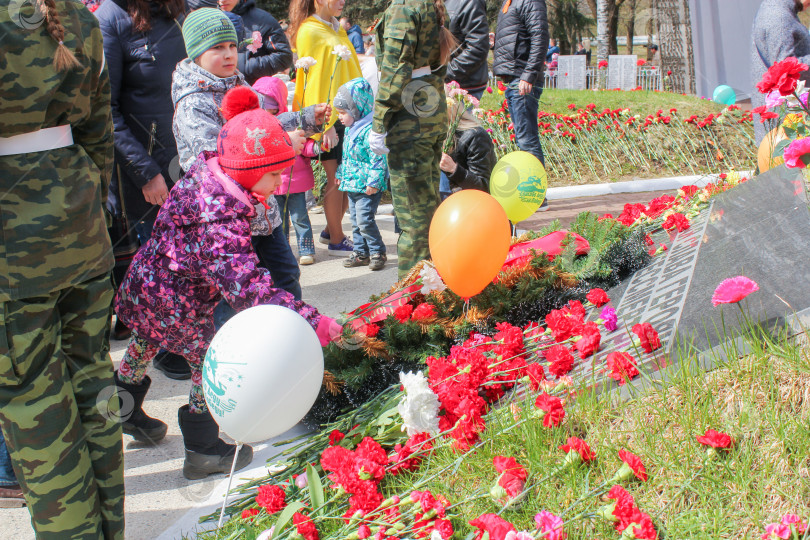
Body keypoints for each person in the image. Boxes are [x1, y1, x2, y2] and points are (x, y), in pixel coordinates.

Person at [115, 86, 343, 480]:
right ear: (251, 170)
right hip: (178, 303)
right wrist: (310, 320)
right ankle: (204, 449)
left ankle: (121, 407)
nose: (279, 182)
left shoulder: (210, 172)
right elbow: (249, 288)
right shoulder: (219, 218)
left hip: (146, 285)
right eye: (273, 174)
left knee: (145, 339)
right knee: (208, 363)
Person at [0, 0, 125, 536]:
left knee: (38, 410)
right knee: (95, 384)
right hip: (79, 223)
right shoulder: (79, 17)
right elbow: (100, 132)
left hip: (13, 246)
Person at [172, 8, 327, 303]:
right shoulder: (193, 104)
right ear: (195, 53)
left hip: (263, 214)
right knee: (234, 297)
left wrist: (304, 118)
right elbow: (214, 161)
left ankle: (291, 341)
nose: (229, 54)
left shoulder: (239, 84)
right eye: (217, 47)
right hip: (225, 222)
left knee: (286, 278)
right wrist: (281, 144)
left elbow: (261, 128)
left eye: (232, 46)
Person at [96, 0, 186, 347]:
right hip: (147, 176)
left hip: (191, 161)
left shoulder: (178, 11)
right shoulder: (110, 19)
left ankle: (188, 346)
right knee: (161, 268)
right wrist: (146, 172)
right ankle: (165, 350)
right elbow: (106, 108)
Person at [370, 0, 456, 277]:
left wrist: (379, 120)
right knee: (428, 211)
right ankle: (434, 286)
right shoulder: (427, 6)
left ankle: (411, 296)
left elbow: (396, 70)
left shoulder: (404, 9)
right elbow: (438, 66)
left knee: (413, 218)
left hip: (409, 123)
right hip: (428, 113)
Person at [289, 0, 364, 255]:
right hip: (327, 118)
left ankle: (331, 230)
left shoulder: (336, 28)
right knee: (335, 179)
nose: (343, 1)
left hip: (347, 115)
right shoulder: (310, 30)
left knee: (344, 177)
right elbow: (312, 80)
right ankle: (336, 239)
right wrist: (325, 124)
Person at [254, 76, 318, 266]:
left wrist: (313, 148)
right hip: (271, 186)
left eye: (272, 106)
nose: (268, 111)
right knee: (278, 221)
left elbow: (303, 145)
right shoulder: (256, 129)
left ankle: (306, 249)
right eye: (264, 105)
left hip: (294, 183)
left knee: (299, 217)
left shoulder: (290, 122)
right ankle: (285, 252)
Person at [494, 0, 549, 209]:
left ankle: (537, 196)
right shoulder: (511, 2)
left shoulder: (530, 1)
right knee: (523, 137)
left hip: (523, 80)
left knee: (527, 139)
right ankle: (534, 193)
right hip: (514, 78)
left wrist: (529, 75)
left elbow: (540, 38)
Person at [335, 78, 389, 271]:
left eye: (343, 112)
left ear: (357, 109)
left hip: (367, 185)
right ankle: (361, 252)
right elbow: (348, 157)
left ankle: (377, 251)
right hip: (353, 183)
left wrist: (374, 181)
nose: (340, 117)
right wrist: (341, 172)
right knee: (356, 221)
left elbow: (378, 159)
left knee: (365, 219)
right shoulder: (351, 130)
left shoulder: (369, 131)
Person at [751, 0, 810, 144]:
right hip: (785, 126)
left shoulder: (780, 10)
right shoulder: (777, 14)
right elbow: (785, 67)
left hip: (788, 120)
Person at [219, 0, 293, 84]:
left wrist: (243, 65)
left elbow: (283, 57)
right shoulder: (209, 19)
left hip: (252, 90)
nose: (222, 0)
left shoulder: (263, 20)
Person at [439, 104, 496, 200]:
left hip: (467, 205)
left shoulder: (475, 136)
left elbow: (483, 188)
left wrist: (454, 169)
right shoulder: (434, 136)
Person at [445, 0, 490, 101]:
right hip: (441, 82)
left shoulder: (470, 2)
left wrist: (445, 72)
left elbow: (478, 48)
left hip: (464, 86)